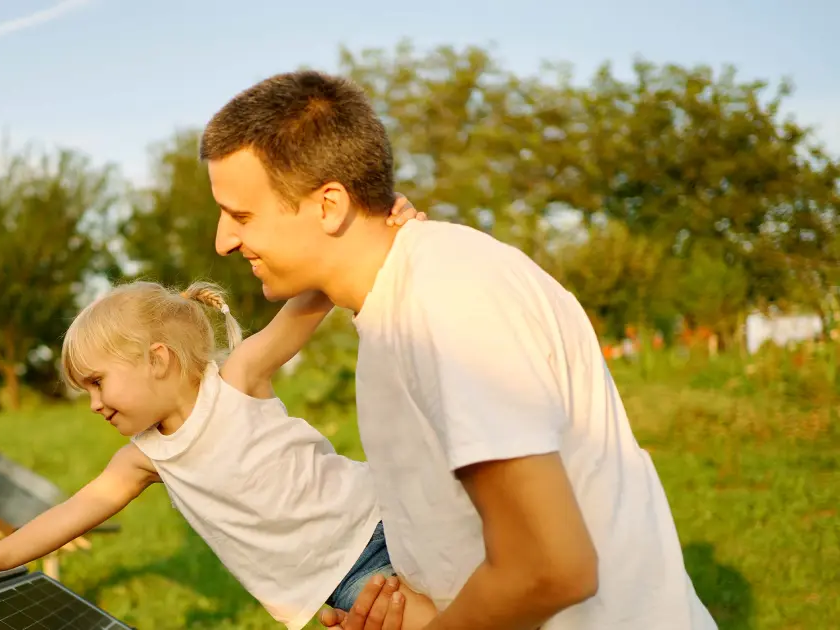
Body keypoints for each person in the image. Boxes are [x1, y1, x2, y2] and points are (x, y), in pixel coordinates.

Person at [201, 69, 718, 630]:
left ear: (329, 205)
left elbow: (550, 567)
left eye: (242, 215)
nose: (223, 240)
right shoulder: (391, 307)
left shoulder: (446, 298)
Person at [0, 206, 438, 630]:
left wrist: (386, 233)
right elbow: (74, 512)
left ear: (158, 359)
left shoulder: (239, 379)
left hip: (382, 517)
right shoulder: (144, 458)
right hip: (336, 581)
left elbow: (313, 298)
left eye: (98, 382)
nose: (94, 403)